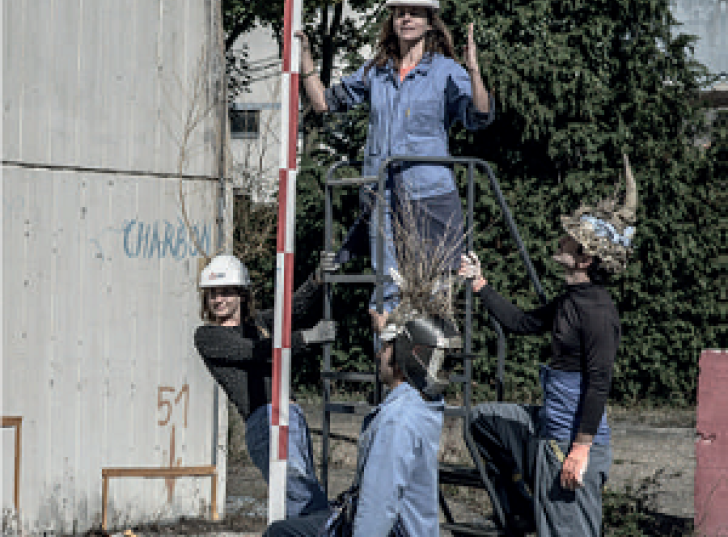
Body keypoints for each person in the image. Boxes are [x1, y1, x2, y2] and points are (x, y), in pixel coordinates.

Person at [458, 156, 638, 536]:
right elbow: (522, 323)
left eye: (571, 238)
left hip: (569, 442)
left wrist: (580, 450)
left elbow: (599, 383)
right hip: (549, 426)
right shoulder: (570, 300)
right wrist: (479, 284)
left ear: (585, 257)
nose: (563, 239)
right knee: (481, 420)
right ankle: (521, 509)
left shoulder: (598, 312)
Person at [297, 0, 495, 331]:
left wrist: (474, 70)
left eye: (415, 13)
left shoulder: (446, 70)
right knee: (386, 289)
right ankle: (392, 376)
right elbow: (324, 104)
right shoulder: (376, 70)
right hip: (380, 193)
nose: (406, 18)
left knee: (434, 289)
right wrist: (304, 57)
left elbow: (480, 117)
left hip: (429, 195)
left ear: (430, 22)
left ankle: (427, 373)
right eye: (400, 12)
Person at [263, 313, 461, 537]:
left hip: (393, 531)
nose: (378, 354)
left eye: (386, 347)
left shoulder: (397, 420)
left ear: (405, 355)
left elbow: (379, 503)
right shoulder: (425, 403)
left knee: (280, 533)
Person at [194, 254, 336, 518]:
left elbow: (293, 309)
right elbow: (254, 352)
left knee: (303, 492)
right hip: (265, 420)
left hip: (292, 417)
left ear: (242, 295)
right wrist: (305, 338)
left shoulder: (259, 324)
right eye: (213, 294)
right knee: (300, 495)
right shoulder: (208, 336)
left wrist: (317, 279)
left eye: (226, 292)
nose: (218, 300)